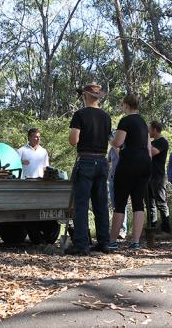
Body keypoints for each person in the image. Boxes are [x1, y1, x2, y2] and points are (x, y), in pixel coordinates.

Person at [65, 82, 112, 255]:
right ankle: (104, 242)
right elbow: (109, 139)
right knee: (101, 204)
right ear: (97, 98)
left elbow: (73, 140)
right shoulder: (106, 117)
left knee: (81, 204)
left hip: (85, 160)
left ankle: (81, 244)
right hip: (102, 161)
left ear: (85, 96)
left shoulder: (80, 114)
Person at [107, 94, 152, 251]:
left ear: (126, 105)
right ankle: (135, 242)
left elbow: (118, 142)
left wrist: (110, 140)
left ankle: (112, 241)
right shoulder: (143, 122)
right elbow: (148, 148)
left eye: (122, 105)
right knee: (138, 203)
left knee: (120, 203)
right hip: (145, 164)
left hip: (128, 164)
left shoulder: (125, 121)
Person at [147, 121, 171, 235]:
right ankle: (152, 229)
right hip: (149, 177)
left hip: (159, 177)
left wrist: (146, 140)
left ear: (155, 129)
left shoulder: (162, 142)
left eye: (149, 129)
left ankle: (166, 229)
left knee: (161, 203)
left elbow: (152, 152)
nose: (148, 131)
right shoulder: (151, 142)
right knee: (150, 204)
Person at [107, 132, 127, 239]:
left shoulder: (124, 148)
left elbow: (121, 157)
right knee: (115, 204)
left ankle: (122, 229)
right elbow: (108, 162)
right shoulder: (111, 150)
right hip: (112, 179)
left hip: (122, 179)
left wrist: (115, 146)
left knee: (121, 204)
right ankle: (115, 229)